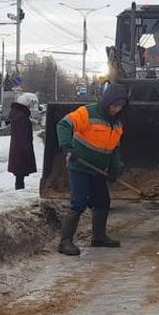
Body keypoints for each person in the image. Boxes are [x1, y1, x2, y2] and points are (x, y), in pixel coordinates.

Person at [55, 85, 129, 256]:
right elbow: (63, 125)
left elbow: (114, 148)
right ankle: (65, 242)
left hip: (98, 169)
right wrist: (67, 148)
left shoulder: (117, 123)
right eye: (114, 105)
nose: (116, 109)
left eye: (120, 107)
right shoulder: (87, 113)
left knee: (103, 202)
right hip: (79, 166)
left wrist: (114, 168)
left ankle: (99, 237)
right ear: (107, 101)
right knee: (78, 202)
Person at [7, 94, 36, 190]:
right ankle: (19, 191)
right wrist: (27, 151)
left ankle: (19, 190)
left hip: (17, 149)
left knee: (19, 176)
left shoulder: (17, 115)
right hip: (21, 151)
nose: (30, 107)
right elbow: (24, 136)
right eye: (29, 104)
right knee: (20, 176)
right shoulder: (22, 117)